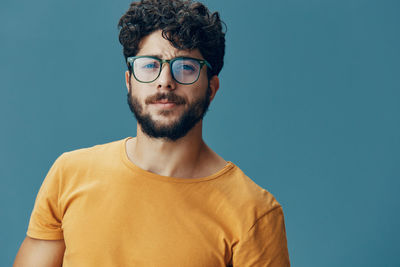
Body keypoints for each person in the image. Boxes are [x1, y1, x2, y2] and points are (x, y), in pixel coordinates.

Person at [14, 0, 290, 266]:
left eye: (185, 67)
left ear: (211, 88)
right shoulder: (69, 174)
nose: (165, 82)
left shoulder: (254, 211)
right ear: (129, 81)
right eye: (149, 65)